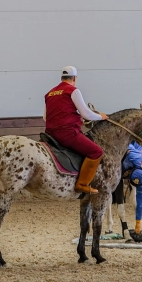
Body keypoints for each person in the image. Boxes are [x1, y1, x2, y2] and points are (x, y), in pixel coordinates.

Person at [44, 65, 108, 194]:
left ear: (62, 78)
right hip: (67, 133)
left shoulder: (49, 93)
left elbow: (45, 117)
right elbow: (86, 114)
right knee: (96, 152)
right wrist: (100, 117)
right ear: (74, 78)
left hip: (50, 134)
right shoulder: (73, 90)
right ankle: (82, 184)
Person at [121, 140, 142, 234]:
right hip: (137, 149)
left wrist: (138, 222)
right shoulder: (133, 156)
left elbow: (140, 203)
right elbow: (126, 144)